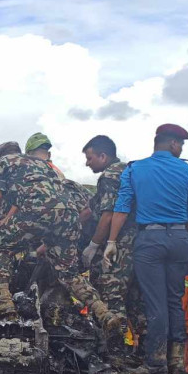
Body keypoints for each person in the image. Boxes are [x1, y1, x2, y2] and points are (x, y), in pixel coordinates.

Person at [0, 134, 122, 331]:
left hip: (38, 211)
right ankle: (103, 312)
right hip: (68, 215)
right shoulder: (43, 166)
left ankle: (4, 301)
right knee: (67, 272)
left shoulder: (2, 164)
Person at [105, 124, 188, 374]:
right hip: (180, 238)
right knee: (175, 301)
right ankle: (177, 362)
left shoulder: (135, 169)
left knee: (155, 303)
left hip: (150, 239)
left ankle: (156, 362)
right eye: (180, 145)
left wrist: (111, 242)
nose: (181, 150)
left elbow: (123, 207)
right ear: (171, 144)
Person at [81, 135, 141, 361]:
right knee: (136, 299)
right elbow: (92, 210)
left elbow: (107, 216)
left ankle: (116, 355)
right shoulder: (129, 171)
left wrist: (94, 245)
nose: (87, 163)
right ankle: (143, 355)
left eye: (90, 158)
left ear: (103, 156)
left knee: (111, 295)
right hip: (141, 245)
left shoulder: (108, 176)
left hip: (119, 247)